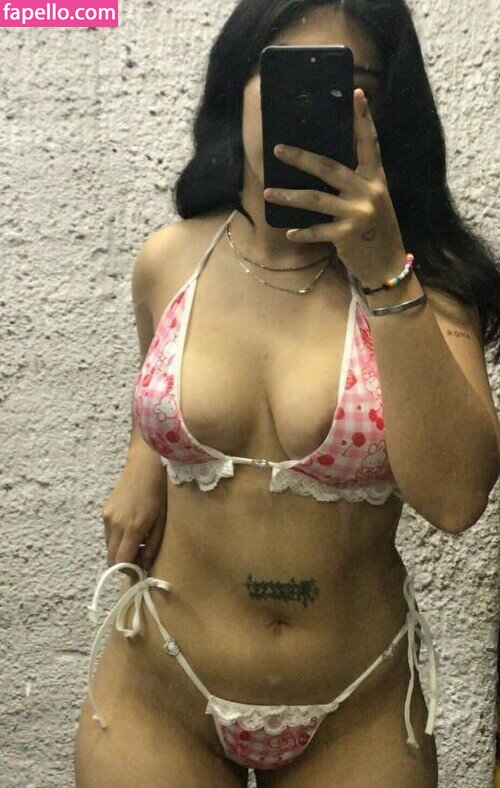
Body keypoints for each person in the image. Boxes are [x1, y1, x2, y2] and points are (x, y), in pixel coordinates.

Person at [74, 1, 500, 785]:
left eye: (348, 81)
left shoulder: (428, 286)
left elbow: (454, 500)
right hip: (158, 690)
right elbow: (162, 384)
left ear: (387, 113)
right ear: (234, 88)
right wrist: (142, 463)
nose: (306, 104)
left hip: (358, 706)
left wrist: (384, 271)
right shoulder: (170, 261)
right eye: (279, 75)